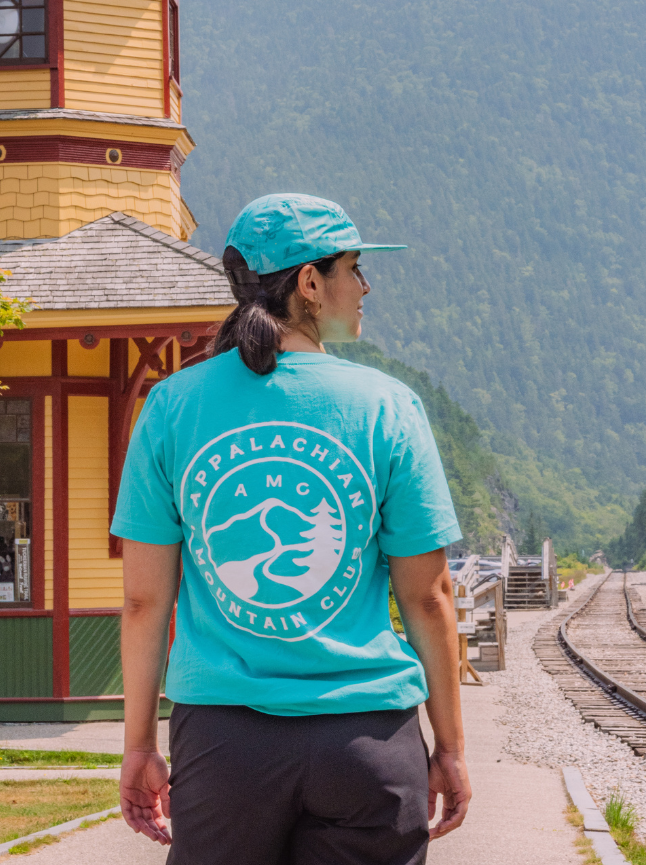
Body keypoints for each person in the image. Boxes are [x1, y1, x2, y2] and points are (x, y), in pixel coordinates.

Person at [112, 193, 472, 865]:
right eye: (354, 269)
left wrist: (139, 746)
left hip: (223, 748)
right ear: (310, 282)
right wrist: (449, 747)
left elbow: (143, 603)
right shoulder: (386, 408)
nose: (364, 288)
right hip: (365, 743)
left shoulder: (169, 408)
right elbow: (428, 597)